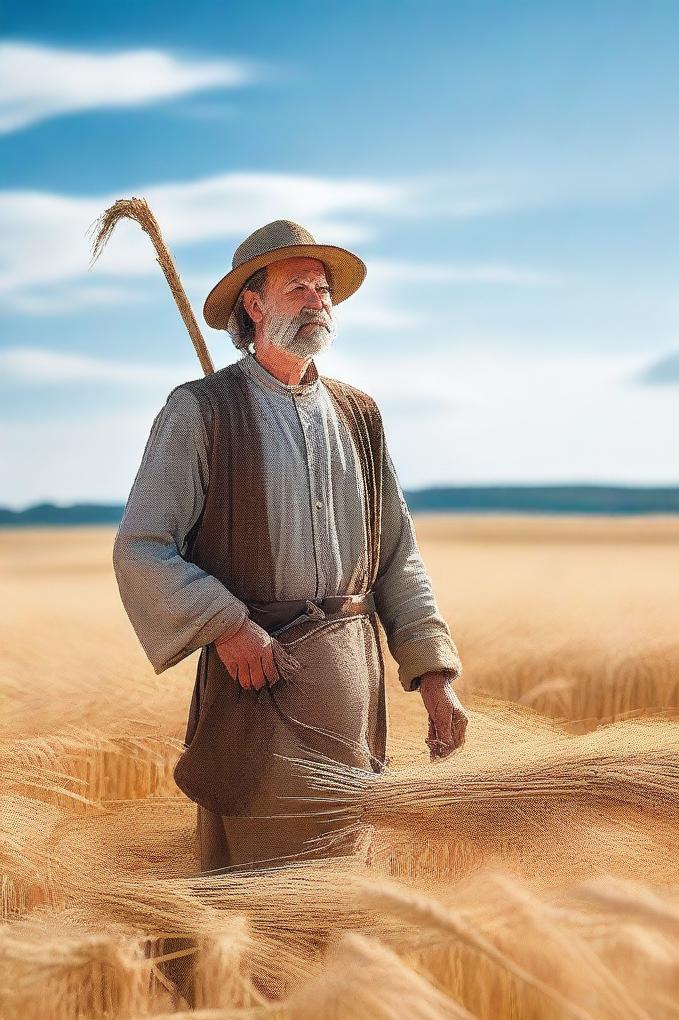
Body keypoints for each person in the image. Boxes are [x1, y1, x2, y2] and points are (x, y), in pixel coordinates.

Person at [113, 219, 469, 873]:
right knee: (263, 901)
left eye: (324, 289)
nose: (318, 301)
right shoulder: (200, 411)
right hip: (261, 692)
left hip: (355, 701)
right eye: (299, 287)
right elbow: (142, 545)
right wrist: (225, 625)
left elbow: (397, 556)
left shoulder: (359, 416)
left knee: (341, 895)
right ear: (254, 304)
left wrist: (435, 674)